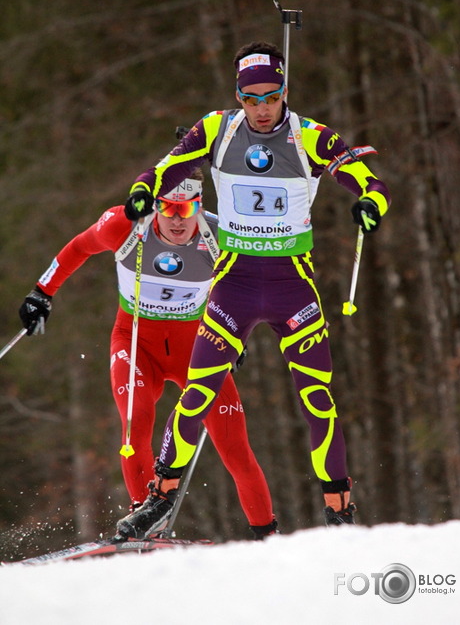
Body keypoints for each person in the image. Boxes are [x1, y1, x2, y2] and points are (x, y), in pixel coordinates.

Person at [119, 40, 391, 537]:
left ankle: (339, 510)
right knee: (197, 394)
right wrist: (143, 190)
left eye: (272, 96)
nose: (262, 108)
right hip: (234, 286)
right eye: (252, 98)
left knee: (317, 399)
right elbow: (164, 170)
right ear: (238, 96)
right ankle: (158, 496)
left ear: (285, 91)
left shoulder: (310, 136)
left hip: (293, 288)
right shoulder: (217, 130)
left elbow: (367, 180)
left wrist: (371, 204)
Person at [18, 169, 276, 540]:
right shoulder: (125, 225)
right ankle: (145, 525)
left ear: (199, 207)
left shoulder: (222, 235)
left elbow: (251, 289)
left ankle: (268, 539)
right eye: (166, 208)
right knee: (134, 424)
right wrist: (41, 292)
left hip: (197, 347)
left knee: (235, 447)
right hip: (135, 342)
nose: (174, 219)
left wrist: (235, 334)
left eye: (184, 209)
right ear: (155, 205)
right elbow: (79, 247)